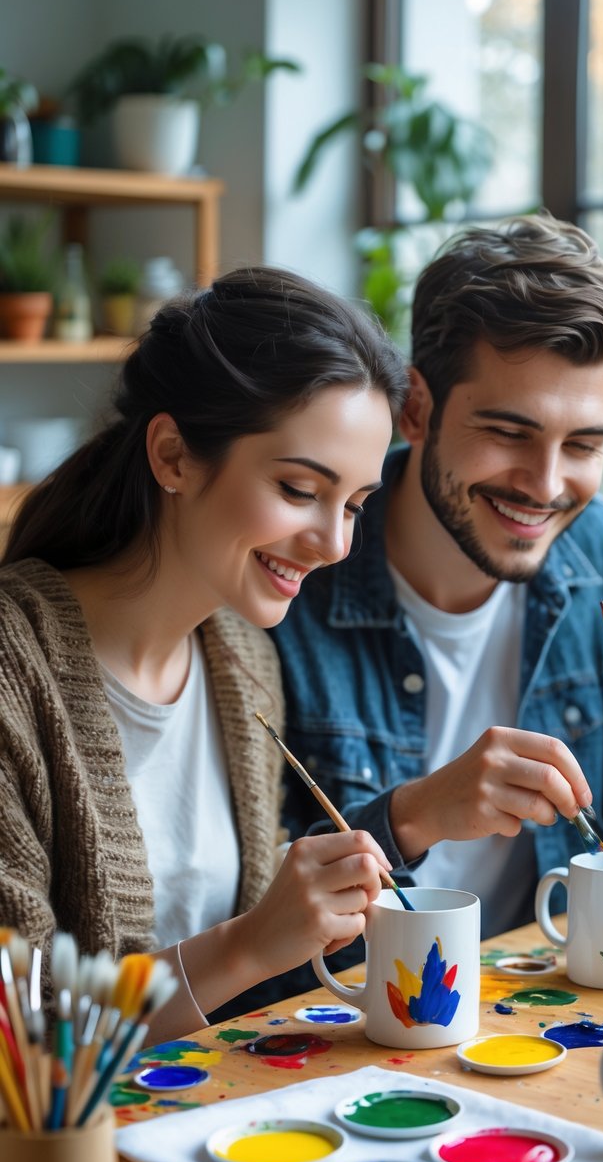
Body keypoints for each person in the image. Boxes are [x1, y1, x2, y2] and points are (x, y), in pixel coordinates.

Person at [270, 211, 603, 994]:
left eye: (585, 445)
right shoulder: (296, 572)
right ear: (416, 408)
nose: (548, 482)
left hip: (544, 1018)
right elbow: (249, 914)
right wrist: (413, 815)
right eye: (509, 432)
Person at [0, 265, 409, 1041]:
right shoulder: (14, 670)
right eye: (298, 488)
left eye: (354, 505)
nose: (333, 542)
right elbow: (17, 1035)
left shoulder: (243, 661)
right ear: (174, 455)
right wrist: (249, 943)